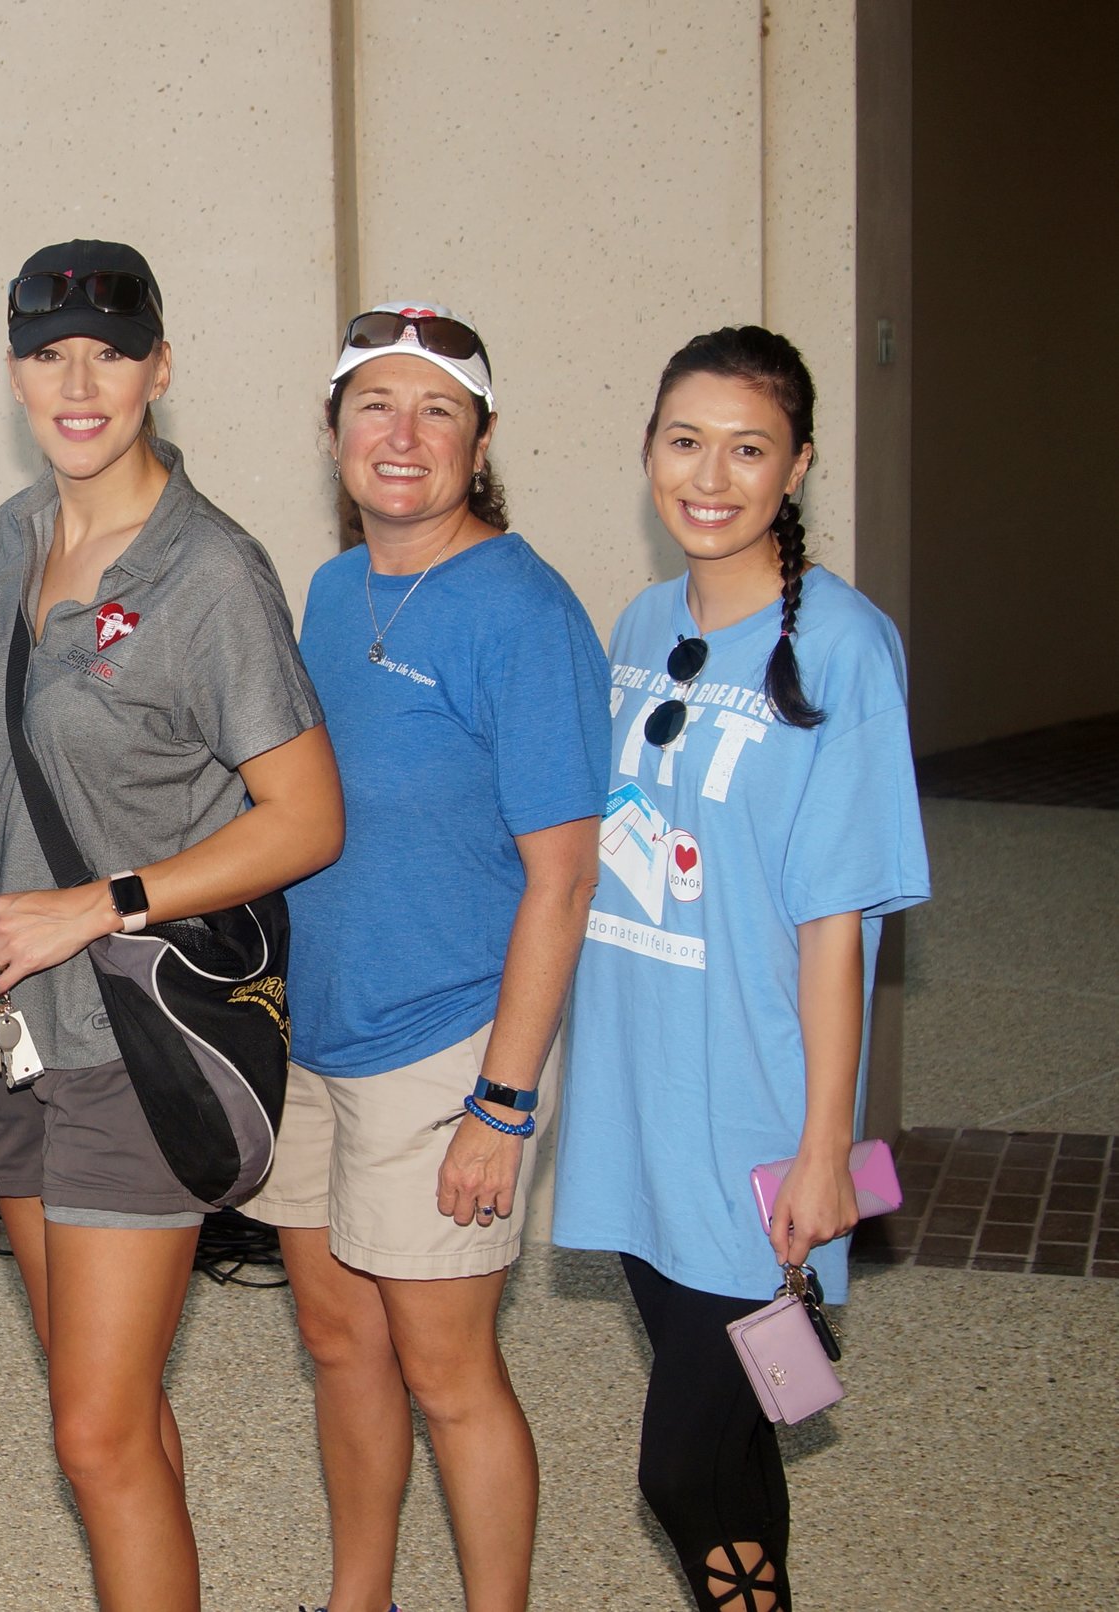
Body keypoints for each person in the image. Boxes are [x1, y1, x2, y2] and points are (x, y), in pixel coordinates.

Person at [0, 240, 342, 1612]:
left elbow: (304, 818)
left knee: (94, 1433)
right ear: (14, 378)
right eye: (50, 353)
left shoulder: (209, 571)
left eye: (110, 350)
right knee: (109, 1417)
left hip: (130, 1030)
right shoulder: (10, 535)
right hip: (9, 1035)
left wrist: (91, 906)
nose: (80, 380)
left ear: (160, 369)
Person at [236, 303, 610, 1612]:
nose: (403, 436)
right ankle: (361, 1599)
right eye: (375, 406)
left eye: (437, 409)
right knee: (342, 1344)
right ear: (334, 430)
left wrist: (502, 1106)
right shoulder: (336, 592)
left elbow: (564, 877)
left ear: (482, 438)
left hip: (447, 1048)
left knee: (450, 1377)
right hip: (314, 1038)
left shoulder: (525, 613)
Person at [553, 327, 929, 1612]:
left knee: (676, 1461)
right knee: (732, 1431)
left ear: (798, 465)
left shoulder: (844, 648)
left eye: (748, 447)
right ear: (649, 450)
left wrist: (827, 1144)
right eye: (684, 440)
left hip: (755, 1106)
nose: (709, 474)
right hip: (636, 1084)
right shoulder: (641, 623)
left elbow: (838, 923)